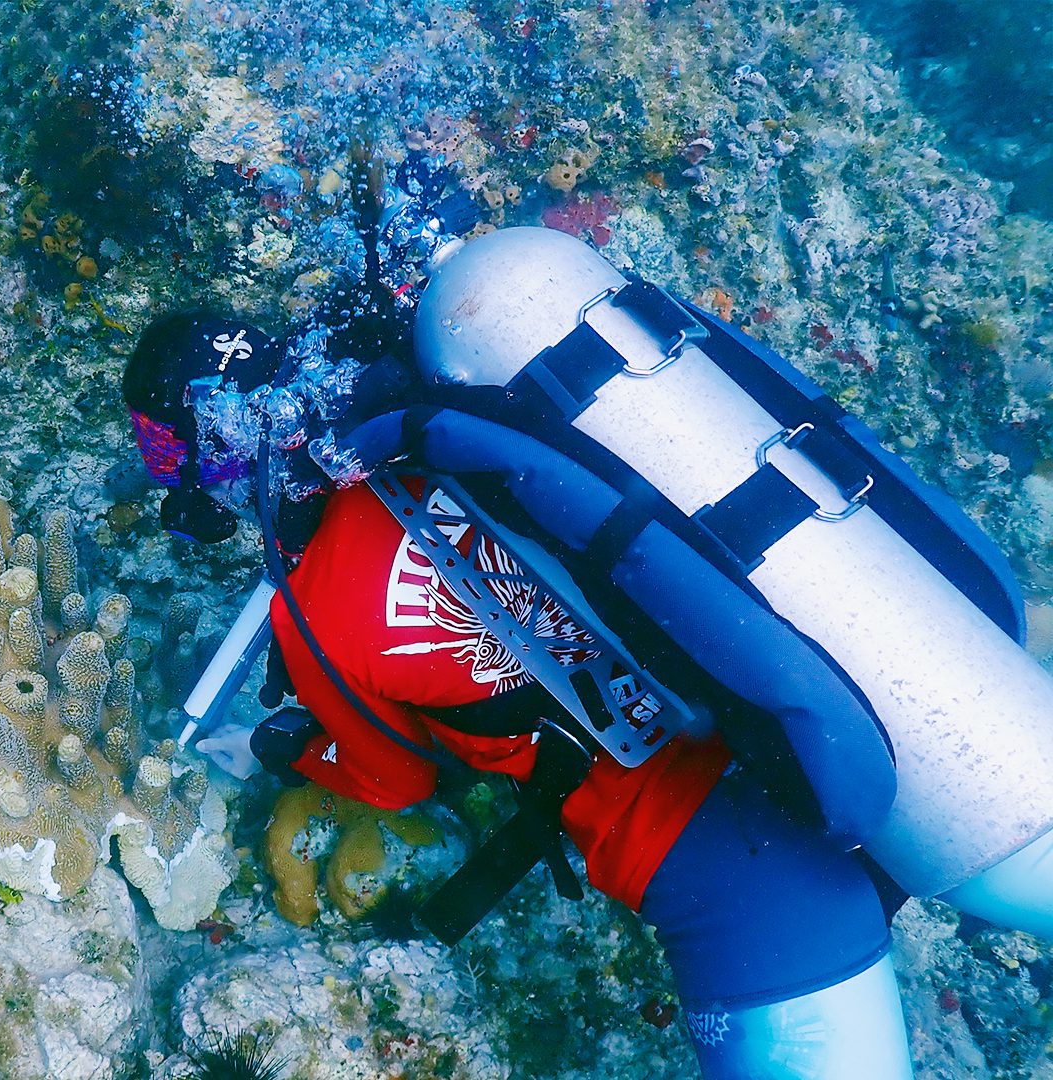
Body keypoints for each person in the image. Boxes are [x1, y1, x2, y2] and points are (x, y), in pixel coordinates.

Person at [123, 280, 1053, 1077]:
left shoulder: (309, 608)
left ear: (221, 449)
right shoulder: (469, 400)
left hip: (725, 867)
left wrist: (290, 743)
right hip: (882, 695)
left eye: (169, 456)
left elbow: (397, 781)